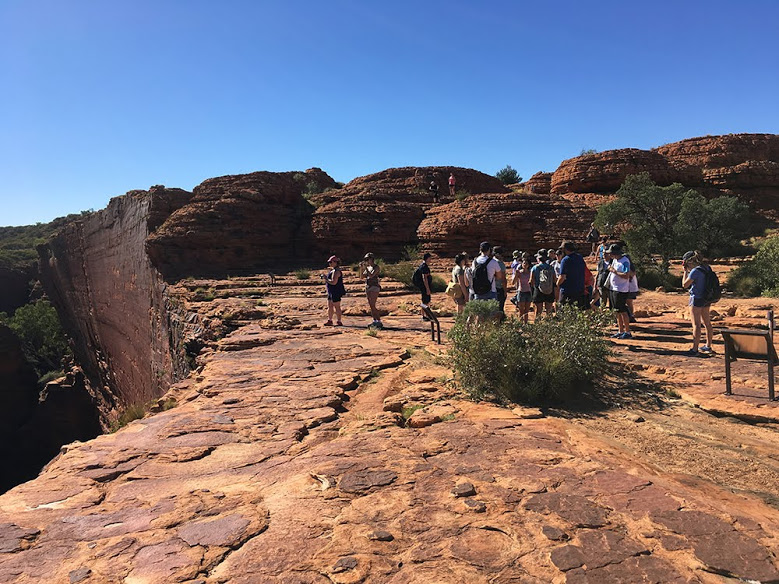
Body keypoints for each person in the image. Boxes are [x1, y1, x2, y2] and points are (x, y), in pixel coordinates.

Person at [681, 250, 715, 355]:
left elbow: (685, 285)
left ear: (689, 261)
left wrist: (685, 271)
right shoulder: (706, 268)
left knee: (696, 325)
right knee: (707, 323)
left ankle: (694, 349)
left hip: (696, 298)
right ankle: (708, 346)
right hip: (706, 298)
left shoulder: (695, 271)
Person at [606, 244, 632, 339]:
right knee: (616, 311)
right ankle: (620, 331)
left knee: (622, 310)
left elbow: (626, 275)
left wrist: (614, 271)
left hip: (621, 290)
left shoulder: (625, 261)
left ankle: (628, 332)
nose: (610, 255)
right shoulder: (615, 261)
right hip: (613, 288)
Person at [557, 241, 586, 309]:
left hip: (567, 291)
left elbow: (562, 276)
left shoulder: (565, 260)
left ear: (566, 249)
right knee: (577, 311)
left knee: (564, 311)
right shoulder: (579, 257)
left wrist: (557, 284)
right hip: (579, 289)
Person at [530, 251, 555, 319]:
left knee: (538, 310)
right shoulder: (551, 267)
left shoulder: (535, 268)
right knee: (549, 310)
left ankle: (537, 325)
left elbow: (531, 280)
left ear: (538, 258)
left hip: (538, 289)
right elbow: (554, 279)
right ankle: (550, 325)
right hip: (549, 290)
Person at [360, 253, 383, 329]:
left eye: (367, 259)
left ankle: (378, 321)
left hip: (374, 287)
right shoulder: (368, 267)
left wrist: (366, 268)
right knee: (371, 305)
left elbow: (371, 275)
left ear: (371, 259)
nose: (366, 261)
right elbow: (362, 277)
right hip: (368, 287)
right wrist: (361, 268)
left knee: (373, 304)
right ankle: (375, 321)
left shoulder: (376, 267)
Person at [323, 255, 344, 326]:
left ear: (335, 262)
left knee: (337, 306)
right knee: (330, 306)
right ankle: (330, 320)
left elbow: (334, 282)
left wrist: (326, 279)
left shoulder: (336, 272)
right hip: (331, 291)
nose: (329, 263)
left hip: (335, 291)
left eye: (330, 262)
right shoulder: (333, 270)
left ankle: (339, 321)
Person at [512, 256, 533, 322]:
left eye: (526, 264)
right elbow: (513, 282)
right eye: (524, 263)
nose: (525, 265)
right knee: (521, 310)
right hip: (521, 292)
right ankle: (520, 324)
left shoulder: (531, 273)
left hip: (528, 292)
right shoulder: (519, 272)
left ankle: (525, 323)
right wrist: (516, 275)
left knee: (527, 310)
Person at [493, 246, 508, 312]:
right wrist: (505, 291)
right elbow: (503, 279)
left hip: (490, 288)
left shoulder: (490, 262)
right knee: (499, 309)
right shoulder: (500, 264)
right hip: (499, 288)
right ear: (497, 254)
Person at [418, 253, 433, 320]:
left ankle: (424, 315)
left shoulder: (422, 266)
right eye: (430, 258)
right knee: (426, 301)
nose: (430, 260)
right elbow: (424, 278)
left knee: (424, 301)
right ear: (427, 258)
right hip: (425, 287)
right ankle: (425, 316)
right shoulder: (424, 267)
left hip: (424, 287)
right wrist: (427, 289)